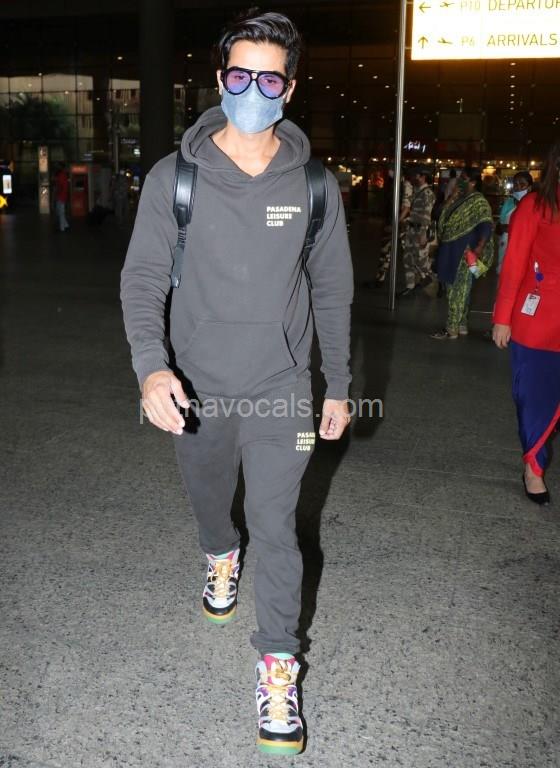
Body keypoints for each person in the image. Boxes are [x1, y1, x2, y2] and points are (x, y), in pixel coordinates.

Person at [120, 10, 353, 756]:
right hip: (197, 388)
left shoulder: (314, 186)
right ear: (220, 80)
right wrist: (152, 366)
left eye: (271, 79)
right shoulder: (175, 179)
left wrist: (339, 384)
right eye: (241, 75)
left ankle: (278, 668)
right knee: (211, 499)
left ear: (291, 88)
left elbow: (333, 291)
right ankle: (220, 551)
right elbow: (143, 277)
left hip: (282, 384)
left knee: (278, 525)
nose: (255, 90)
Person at [492, 140, 560, 506]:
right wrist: (502, 318)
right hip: (538, 320)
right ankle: (534, 467)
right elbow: (514, 264)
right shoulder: (534, 205)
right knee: (533, 398)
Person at [430, 167, 494, 340]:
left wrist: (479, 248)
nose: (459, 181)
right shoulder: (458, 198)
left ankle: (451, 328)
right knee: (461, 289)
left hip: (465, 252)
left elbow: (486, 225)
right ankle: (462, 324)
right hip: (451, 249)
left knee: (457, 290)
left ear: (473, 182)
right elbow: (438, 213)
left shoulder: (478, 201)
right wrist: (451, 197)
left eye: (463, 178)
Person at [398, 167, 436, 297]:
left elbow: (426, 215)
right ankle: (410, 287)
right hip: (411, 230)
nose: (414, 177)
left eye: (416, 175)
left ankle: (434, 280)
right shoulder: (417, 191)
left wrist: (423, 234)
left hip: (420, 230)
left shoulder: (428, 193)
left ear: (423, 176)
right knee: (408, 259)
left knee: (421, 261)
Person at [496, 171, 533, 274]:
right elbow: (499, 227)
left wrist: (513, 228)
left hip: (524, 248)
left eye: (522, 184)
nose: (518, 188)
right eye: (515, 184)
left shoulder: (533, 205)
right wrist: (502, 228)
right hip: (506, 246)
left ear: (529, 188)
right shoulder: (508, 203)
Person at [53, 162, 70, 232]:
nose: (56, 167)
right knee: (60, 212)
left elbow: (60, 186)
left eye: (57, 166)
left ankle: (62, 228)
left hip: (61, 196)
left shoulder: (61, 175)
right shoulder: (63, 174)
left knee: (61, 212)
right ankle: (65, 225)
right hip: (61, 196)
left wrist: (57, 192)